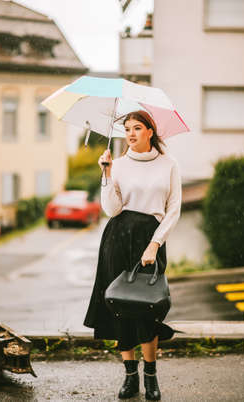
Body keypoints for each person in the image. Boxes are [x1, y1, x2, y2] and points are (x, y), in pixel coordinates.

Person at [84, 110, 182, 401]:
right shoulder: (119, 164)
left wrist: (155, 243)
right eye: (126, 129)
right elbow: (111, 210)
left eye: (137, 128)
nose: (130, 133)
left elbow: (173, 209)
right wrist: (106, 173)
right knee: (120, 308)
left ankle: (150, 376)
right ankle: (130, 376)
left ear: (150, 131)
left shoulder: (169, 164)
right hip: (117, 238)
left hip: (150, 237)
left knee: (147, 310)